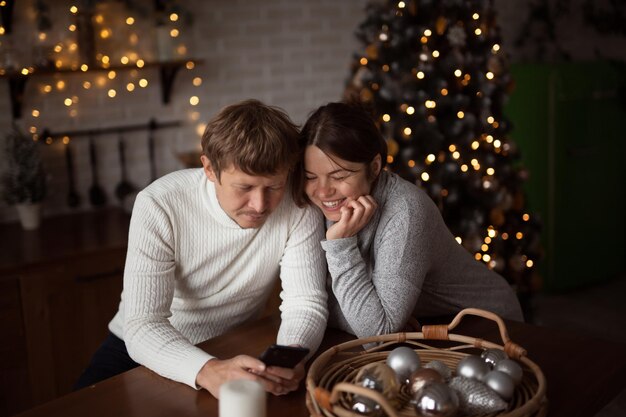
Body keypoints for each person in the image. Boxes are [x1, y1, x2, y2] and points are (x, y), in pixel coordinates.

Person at [75, 99, 328, 398]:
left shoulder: (298, 207)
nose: (260, 205)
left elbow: (305, 301)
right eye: (244, 188)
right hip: (139, 348)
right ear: (209, 168)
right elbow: (143, 324)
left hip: (232, 343)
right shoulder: (160, 204)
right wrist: (207, 370)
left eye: (273, 187)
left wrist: (291, 354)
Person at [295, 101, 523, 339]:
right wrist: (376, 321)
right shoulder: (320, 205)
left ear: (374, 167)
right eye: (310, 177)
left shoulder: (406, 212)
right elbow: (306, 299)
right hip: (431, 326)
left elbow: (376, 334)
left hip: (487, 323)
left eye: (338, 176)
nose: (322, 192)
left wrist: (340, 246)